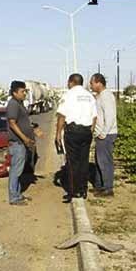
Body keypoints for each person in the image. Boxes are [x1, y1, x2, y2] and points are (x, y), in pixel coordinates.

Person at [55, 74, 97, 203]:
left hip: (72, 132)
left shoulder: (68, 95)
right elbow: (94, 117)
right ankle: (83, 189)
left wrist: (58, 134)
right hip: (86, 132)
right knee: (84, 161)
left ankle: (73, 191)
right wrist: (90, 130)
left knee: (72, 162)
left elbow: (62, 116)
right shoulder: (90, 96)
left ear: (71, 82)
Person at [6, 80, 36, 206]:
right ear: (15, 92)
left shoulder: (19, 104)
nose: (24, 93)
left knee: (19, 169)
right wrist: (24, 138)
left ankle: (17, 194)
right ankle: (14, 197)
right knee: (15, 171)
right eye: (22, 91)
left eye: (25, 91)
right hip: (17, 143)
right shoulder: (13, 104)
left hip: (21, 143)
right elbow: (12, 123)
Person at [90, 73, 118, 197]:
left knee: (105, 162)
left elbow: (110, 116)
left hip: (106, 134)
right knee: (99, 161)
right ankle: (100, 186)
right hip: (102, 134)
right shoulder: (100, 96)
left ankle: (108, 188)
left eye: (92, 83)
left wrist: (104, 132)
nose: (90, 85)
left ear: (99, 83)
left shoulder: (106, 96)